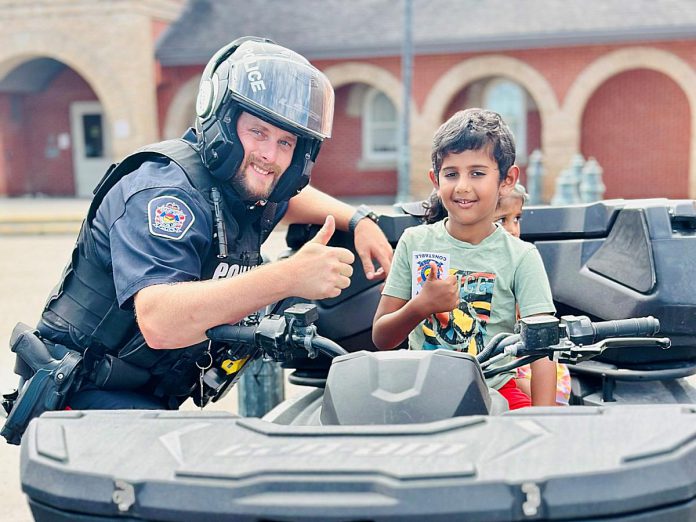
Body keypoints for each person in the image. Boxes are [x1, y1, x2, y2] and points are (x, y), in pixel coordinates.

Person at [11, 37, 393, 412]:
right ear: (224, 123)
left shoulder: (242, 185)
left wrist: (358, 219)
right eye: (257, 132)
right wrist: (288, 277)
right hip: (83, 394)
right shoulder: (164, 194)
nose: (269, 155)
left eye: (285, 143)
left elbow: (286, 196)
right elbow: (159, 321)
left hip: (146, 394)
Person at [372, 108, 556, 409]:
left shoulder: (522, 257)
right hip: (420, 389)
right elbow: (382, 337)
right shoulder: (415, 242)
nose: (463, 186)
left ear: (507, 180)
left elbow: (543, 348)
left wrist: (545, 421)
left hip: (495, 389)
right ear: (435, 179)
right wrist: (421, 306)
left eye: (477, 173)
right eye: (451, 173)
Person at [495, 184, 571, 405]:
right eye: (502, 220)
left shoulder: (521, 262)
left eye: (516, 219)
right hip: (497, 366)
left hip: (523, 363)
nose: (512, 229)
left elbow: (536, 330)